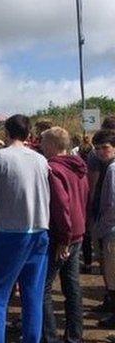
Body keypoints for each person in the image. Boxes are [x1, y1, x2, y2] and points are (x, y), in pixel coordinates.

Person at [0, 114, 50, 343]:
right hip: (39, 231)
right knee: (33, 294)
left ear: (7, 133)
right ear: (28, 134)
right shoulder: (40, 159)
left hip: (10, 232)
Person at [40, 127, 89, 343]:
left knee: (43, 288)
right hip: (78, 231)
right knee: (72, 286)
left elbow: (60, 205)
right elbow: (84, 197)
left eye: (42, 142)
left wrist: (63, 238)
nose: (40, 146)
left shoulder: (53, 169)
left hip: (62, 235)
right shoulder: (79, 167)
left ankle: (50, 337)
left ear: (51, 145)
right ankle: (75, 336)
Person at [90, 129, 115, 328]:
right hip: (108, 227)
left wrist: (101, 227)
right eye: (97, 148)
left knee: (112, 274)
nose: (100, 152)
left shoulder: (113, 169)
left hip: (111, 229)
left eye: (105, 148)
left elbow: (112, 204)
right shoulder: (108, 167)